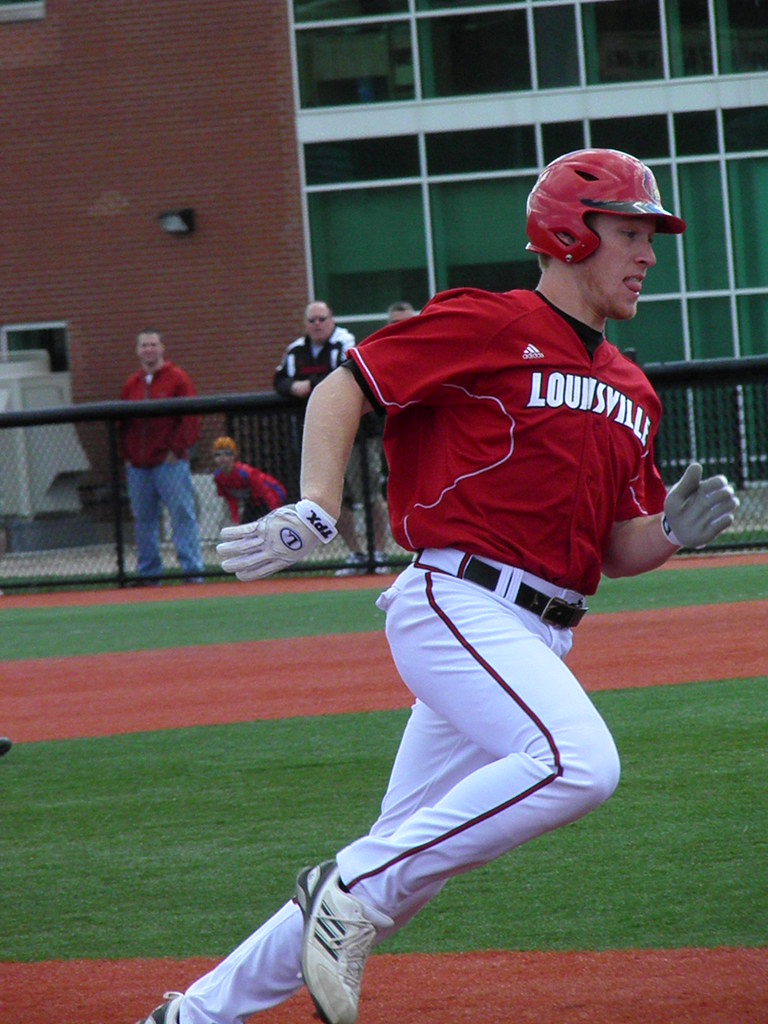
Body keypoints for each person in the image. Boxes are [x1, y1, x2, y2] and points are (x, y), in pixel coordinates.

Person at [138, 149, 739, 1024]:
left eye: (651, 236)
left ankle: (191, 1016)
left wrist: (671, 535)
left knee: (395, 866)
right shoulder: (488, 322)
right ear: (569, 233)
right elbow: (343, 389)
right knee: (578, 764)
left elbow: (616, 548)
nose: (648, 253)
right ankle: (347, 890)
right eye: (630, 232)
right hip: (457, 600)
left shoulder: (633, 387)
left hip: (538, 630)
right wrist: (316, 501)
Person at [273, 300, 371, 575]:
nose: (317, 324)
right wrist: (294, 386)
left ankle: (381, 551)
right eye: (312, 320)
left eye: (322, 319)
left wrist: (311, 386)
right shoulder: (296, 350)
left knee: (370, 492)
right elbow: (278, 380)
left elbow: (348, 374)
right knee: (334, 501)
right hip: (316, 438)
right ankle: (358, 553)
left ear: (332, 319)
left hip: (357, 436)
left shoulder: (345, 341)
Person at [119, 329, 205, 585]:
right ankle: (148, 575)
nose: (149, 349)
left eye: (153, 344)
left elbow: (191, 417)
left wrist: (176, 450)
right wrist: (127, 455)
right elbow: (122, 424)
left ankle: (193, 572)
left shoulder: (177, 378)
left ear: (162, 348)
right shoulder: (131, 384)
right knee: (144, 520)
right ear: (137, 350)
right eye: (144, 345)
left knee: (182, 515)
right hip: (138, 466)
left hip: (170, 463)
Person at [211, 436, 287, 525]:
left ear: (234, 456)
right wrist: (235, 520)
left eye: (227, 454)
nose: (222, 458)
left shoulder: (245, 473)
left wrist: (276, 514)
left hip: (273, 494)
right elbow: (231, 499)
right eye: (218, 454)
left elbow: (266, 493)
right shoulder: (219, 477)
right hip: (253, 502)